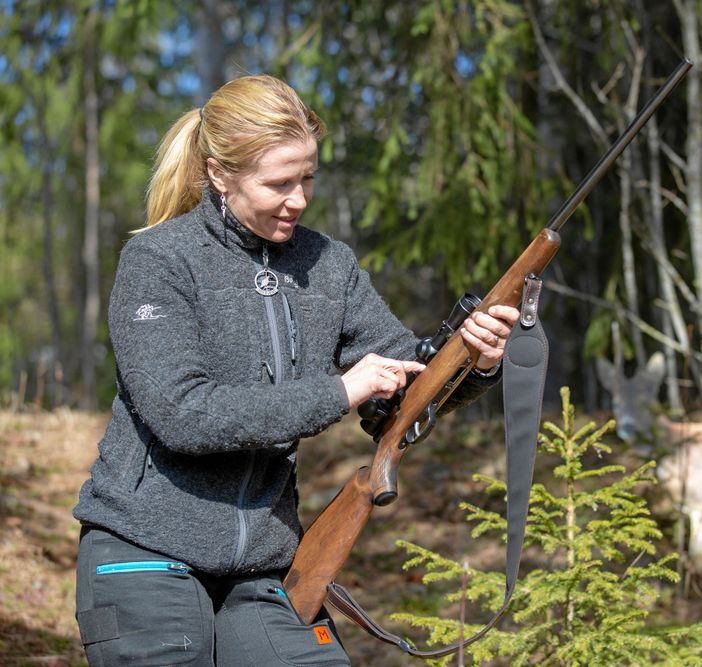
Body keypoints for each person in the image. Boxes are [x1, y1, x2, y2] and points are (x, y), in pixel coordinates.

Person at [72, 74, 518, 667]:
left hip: (268, 565)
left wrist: (473, 361)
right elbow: (182, 414)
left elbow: (404, 380)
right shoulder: (159, 259)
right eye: (279, 183)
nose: (300, 199)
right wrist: (337, 391)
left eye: (308, 177)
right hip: (142, 550)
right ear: (218, 174)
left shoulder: (329, 264)